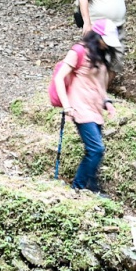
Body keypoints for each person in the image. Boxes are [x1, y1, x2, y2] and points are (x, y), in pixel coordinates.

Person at [52, 20, 120, 195]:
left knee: (94, 150)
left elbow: (100, 86)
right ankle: (79, 187)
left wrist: (107, 103)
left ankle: (92, 186)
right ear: (97, 36)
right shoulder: (79, 51)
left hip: (95, 109)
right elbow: (60, 78)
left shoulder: (101, 56)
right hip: (79, 108)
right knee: (96, 149)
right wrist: (67, 106)